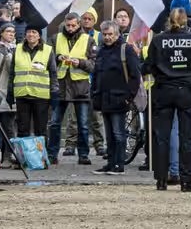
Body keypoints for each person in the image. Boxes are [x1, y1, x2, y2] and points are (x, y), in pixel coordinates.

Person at [146, 7, 191, 192]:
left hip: (164, 89)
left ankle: (161, 178)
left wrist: (161, 77)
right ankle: (187, 179)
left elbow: (149, 64)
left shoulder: (158, 40)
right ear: (185, 21)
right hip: (186, 90)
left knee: (162, 136)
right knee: (187, 135)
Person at [91, 20, 141, 174]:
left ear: (117, 34)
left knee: (119, 134)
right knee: (110, 135)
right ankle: (111, 162)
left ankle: (119, 164)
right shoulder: (102, 51)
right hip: (104, 98)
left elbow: (135, 74)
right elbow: (97, 74)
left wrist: (128, 97)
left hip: (119, 98)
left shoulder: (126, 49)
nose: (107, 37)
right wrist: (94, 94)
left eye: (110, 34)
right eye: (105, 34)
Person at [49, 11, 94, 166]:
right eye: (67, 25)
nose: (70, 28)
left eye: (73, 25)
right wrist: (57, 58)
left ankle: (83, 155)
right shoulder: (55, 39)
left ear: (79, 24)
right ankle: (52, 154)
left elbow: (95, 65)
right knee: (55, 123)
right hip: (60, 87)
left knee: (83, 125)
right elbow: (48, 60)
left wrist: (80, 63)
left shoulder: (88, 40)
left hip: (80, 87)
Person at [10, 26, 55, 155]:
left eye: (34, 32)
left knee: (40, 129)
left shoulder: (47, 50)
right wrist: (10, 91)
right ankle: (23, 157)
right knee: (22, 129)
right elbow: (12, 72)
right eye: (28, 32)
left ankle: (41, 157)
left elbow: (53, 73)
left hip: (40, 96)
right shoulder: (18, 49)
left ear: (39, 36)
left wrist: (54, 93)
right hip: (22, 95)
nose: (31, 35)